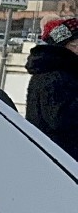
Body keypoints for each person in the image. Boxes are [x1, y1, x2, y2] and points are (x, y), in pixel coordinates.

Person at [27, 17, 78, 162]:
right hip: (61, 160)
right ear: (68, 46)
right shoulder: (55, 76)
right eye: (76, 45)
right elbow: (58, 119)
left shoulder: (54, 71)